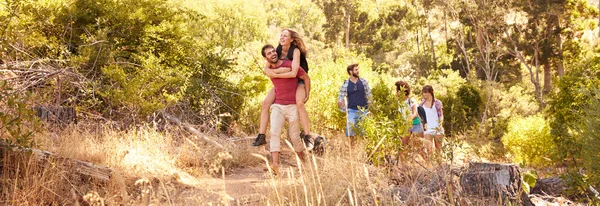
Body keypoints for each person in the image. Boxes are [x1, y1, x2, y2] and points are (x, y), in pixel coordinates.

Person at [252, 29, 311, 148]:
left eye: (285, 36)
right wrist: (279, 71)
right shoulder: (276, 50)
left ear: (291, 39)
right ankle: (261, 135)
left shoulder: (295, 51)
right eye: (281, 35)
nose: (282, 37)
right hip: (284, 81)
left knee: (299, 103)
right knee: (265, 104)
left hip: (299, 80)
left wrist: (276, 74)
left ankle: (307, 136)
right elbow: (267, 70)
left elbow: (294, 73)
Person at [260, 44, 311, 173]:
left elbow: (305, 77)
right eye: (269, 53)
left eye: (273, 51)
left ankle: (305, 164)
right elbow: (269, 72)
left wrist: (307, 93)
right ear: (266, 58)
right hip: (278, 105)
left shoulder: (290, 64)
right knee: (274, 132)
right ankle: (275, 165)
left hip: (293, 105)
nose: (273, 54)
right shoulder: (268, 69)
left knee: (294, 137)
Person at [337, 64, 372, 146]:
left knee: (365, 134)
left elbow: (369, 95)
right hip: (351, 111)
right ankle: (352, 152)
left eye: (357, 69)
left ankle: (363, 150)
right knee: (350, 133)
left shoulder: (364, 82)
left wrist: (370, 109)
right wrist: (340, 102)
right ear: (350, 72)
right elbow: (340, 97)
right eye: (356, 70)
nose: (358, 71)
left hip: (364, 110)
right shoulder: (346, 84)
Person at [395, 81, 423, 146]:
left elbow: (415, 113)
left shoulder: (411, 100)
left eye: (397, 91)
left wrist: (408, 121)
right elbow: (400, 116)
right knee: (402, 145)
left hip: (415, 124)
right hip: (405, 126)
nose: (396, 93)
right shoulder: (399, 102)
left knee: (418, 146)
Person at [420, 85, 444, 155]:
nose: (424, 94)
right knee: (429, 150)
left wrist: (440, 125)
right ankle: (430, 165)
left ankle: (439, 165)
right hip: (428, 129)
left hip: (437, 128)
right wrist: (424, 125)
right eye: (423, 92)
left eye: (426, 92)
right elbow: (421, 117)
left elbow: (441, 115)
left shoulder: (437, 103)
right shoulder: (421, 104)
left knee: (438, 150)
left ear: (431, 92)